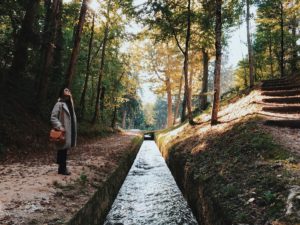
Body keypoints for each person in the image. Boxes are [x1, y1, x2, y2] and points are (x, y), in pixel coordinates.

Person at [50, 87, 77, 175]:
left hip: (69, 130)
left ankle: (61, 167)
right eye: (65, 90)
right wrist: (60, 126)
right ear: (61, 92)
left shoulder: (70, 104)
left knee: (64, 149)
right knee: (63, 149)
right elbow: (53, 117)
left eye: (69, 90)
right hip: (63, 129)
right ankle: (62, 169)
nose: (68, 91)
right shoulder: (59, 103)